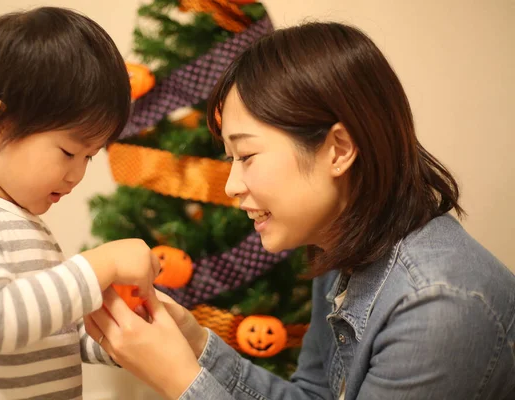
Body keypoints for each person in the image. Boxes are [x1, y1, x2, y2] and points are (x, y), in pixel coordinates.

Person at [85, 21, 515, 400]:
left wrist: (182, 381)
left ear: (338, 150)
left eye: (247, 155)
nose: (232, 186)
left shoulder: (437, 308)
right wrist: (196, 344)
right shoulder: (343, 246)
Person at [0, 7, 161, 400]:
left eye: (89, 157)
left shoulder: (22, 220)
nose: (77, 174)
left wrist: (116, 333)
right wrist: (102, 263)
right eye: (68, 152)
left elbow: (50, 334)